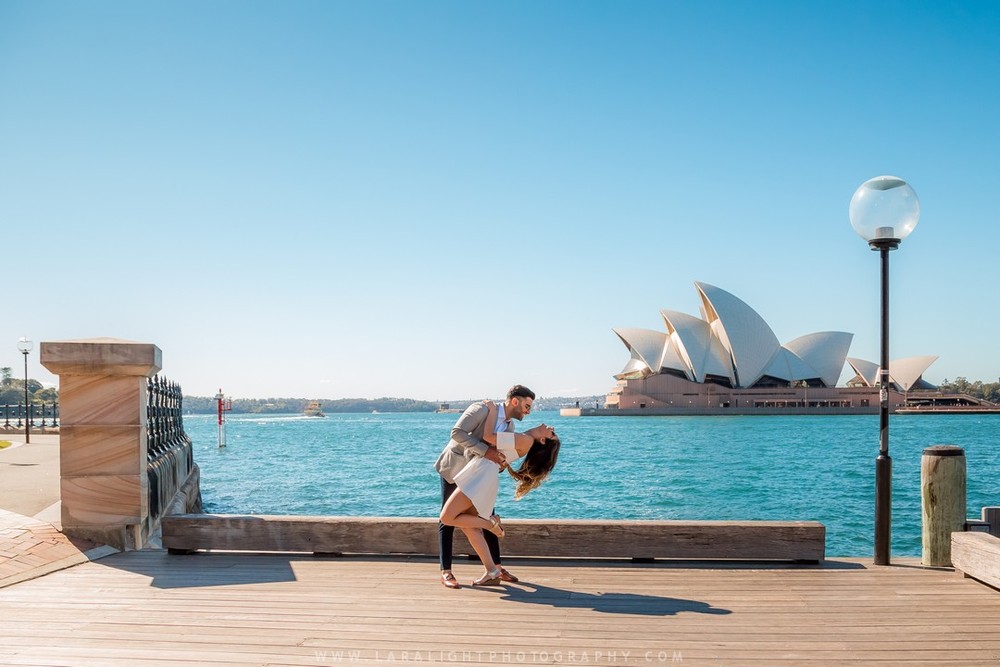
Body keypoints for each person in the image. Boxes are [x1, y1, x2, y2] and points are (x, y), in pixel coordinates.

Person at [438, 398, 560, 586]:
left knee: (447, 517)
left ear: (543, 440)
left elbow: (488, 437)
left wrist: (492, 411)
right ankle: (492, 571)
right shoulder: (522, 438)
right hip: (481, 473)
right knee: (468, 527)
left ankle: (490, 523)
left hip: (479, 475)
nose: (549, 425)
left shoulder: (524, 439)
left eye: (551, 432)